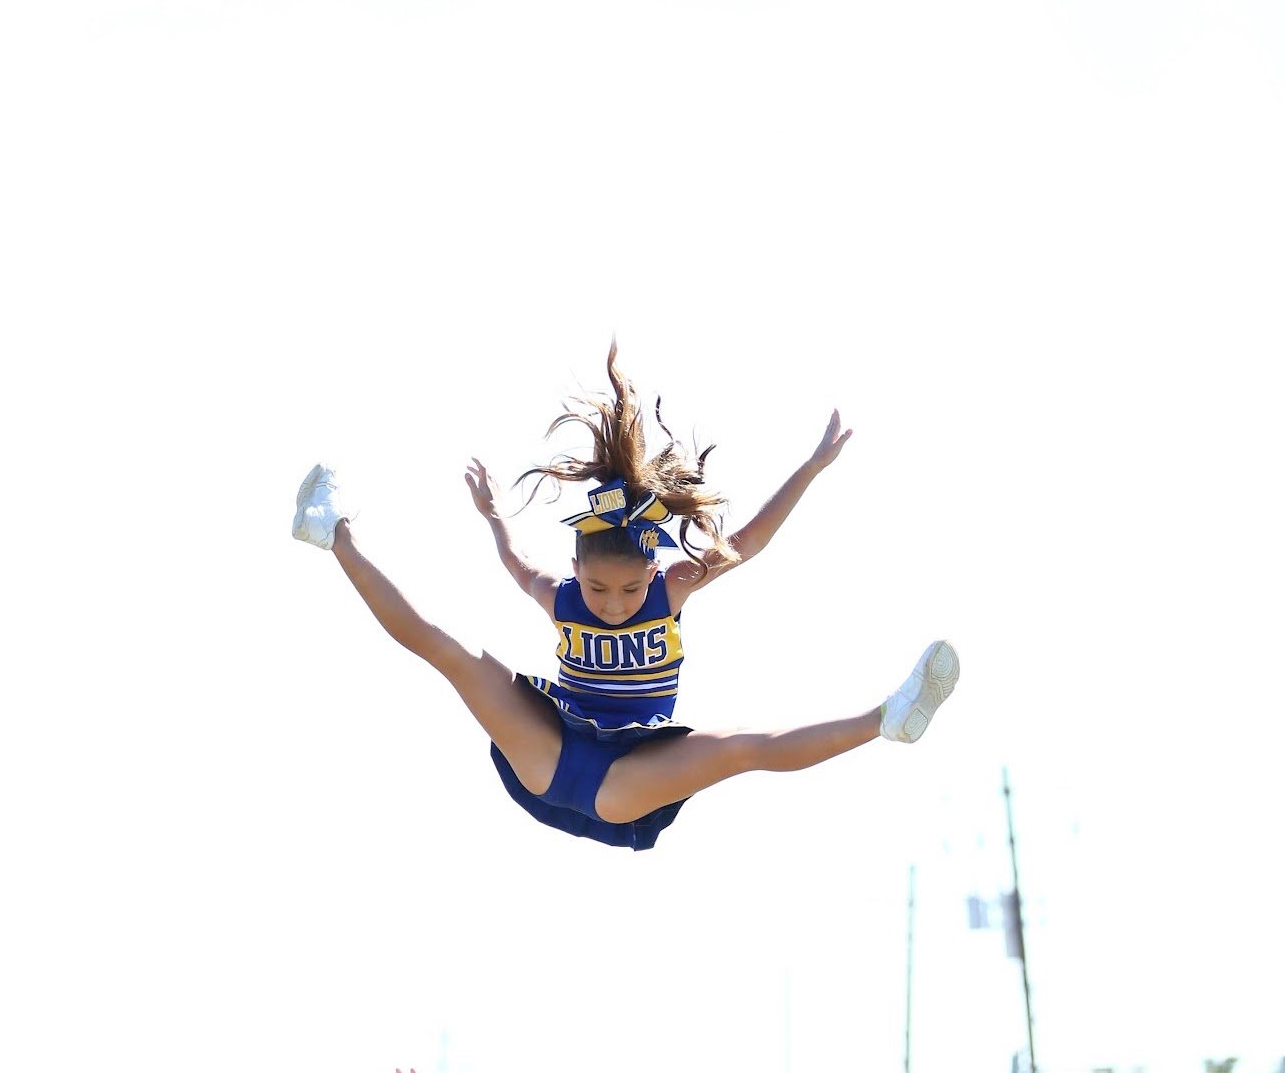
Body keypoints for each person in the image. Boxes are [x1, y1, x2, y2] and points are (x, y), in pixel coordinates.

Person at [291, 347, 959, 852]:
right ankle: (334, 533)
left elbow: (748, 542)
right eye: (599, 587)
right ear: (576, 566)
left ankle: (887, 718)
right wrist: (492, 516)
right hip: (546, 751)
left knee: (739, 746)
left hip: (626, 780)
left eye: (630, 588)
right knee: (448, 651)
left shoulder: (672, 587)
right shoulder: (560, 596)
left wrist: (811, 468)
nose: (613, 602)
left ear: (654, 570)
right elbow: (514, 561)